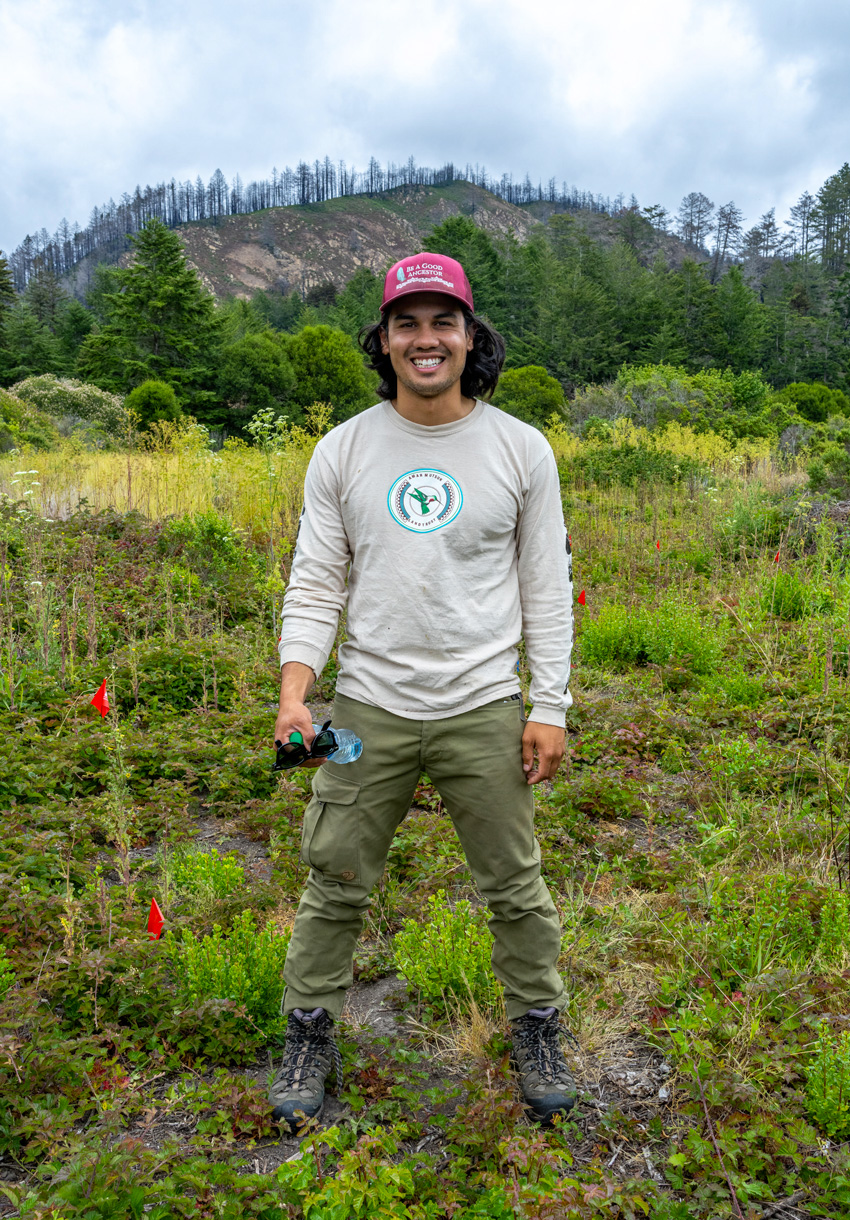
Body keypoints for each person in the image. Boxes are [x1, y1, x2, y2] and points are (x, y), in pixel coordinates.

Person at [268, 251, 575, 1131]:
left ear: (470, 336)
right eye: (407, 322)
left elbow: (545, 586)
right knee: (334, 878)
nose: (426, 338)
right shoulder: (345, 449)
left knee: (514, 884)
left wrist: (548, 704)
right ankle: (309, 1031)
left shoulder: (521, 449)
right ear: (386, 340)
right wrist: (298, 694)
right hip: (367, 708)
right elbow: (317, 581)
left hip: (484, 705)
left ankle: (538, 1027)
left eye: (443, 321)